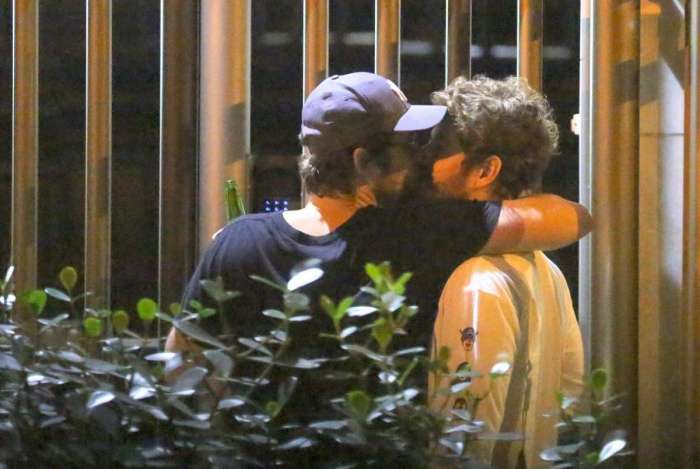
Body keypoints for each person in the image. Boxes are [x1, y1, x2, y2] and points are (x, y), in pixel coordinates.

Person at [166, 72, 591, 354]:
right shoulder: (416, 234)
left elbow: (181, 363)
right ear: (364, 162)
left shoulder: (237, 242)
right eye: (407, 146)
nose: (419, 158)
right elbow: (572, 218)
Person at [428, 76, 584, 468]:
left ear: (485, 171)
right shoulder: (546, 268)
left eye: (439, 149)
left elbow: (464, 438)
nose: (424, 161)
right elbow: (571, 392)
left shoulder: (476, 281)